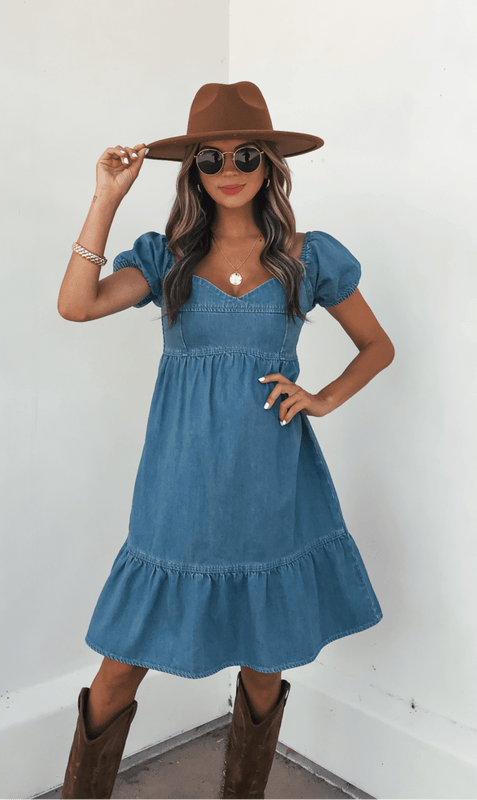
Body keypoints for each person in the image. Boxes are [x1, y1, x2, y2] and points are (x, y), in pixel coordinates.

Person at [57, 81, 395, 800]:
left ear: (270, 164)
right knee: (120, 662)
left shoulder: (309, 257)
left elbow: (375, 346)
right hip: (176, 486)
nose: (229, 168)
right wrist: (106, 198)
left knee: (264, 658)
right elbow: (75, 306)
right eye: (210, 159)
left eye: (247, 153)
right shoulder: (164, 257)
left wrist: (322, 398)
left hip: (271, 484)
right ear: (192, 174)